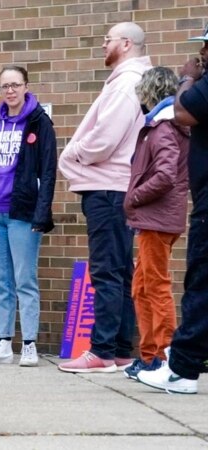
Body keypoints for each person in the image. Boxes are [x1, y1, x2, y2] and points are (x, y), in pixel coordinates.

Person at [58, 22, 152, 373]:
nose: (102, 44)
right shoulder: (129, 82)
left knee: (107, 273)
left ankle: (102, 352)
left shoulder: (125, 85)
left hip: (108, 190)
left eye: (108, 40)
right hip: (115, 188)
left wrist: (73, 152)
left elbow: (103, 141)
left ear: (126, 44)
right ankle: (120, 350)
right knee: (120, 271)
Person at [0, 66, 58, 367]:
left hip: (22, 213)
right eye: (5, 86)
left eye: (15, 85)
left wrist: (41, 214)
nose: (10, 91)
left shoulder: (39, 123)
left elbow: (48, 170)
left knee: (25, 280)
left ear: (26, 87)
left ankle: (29, 343)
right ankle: (3, 343)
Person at [138, 26, 208, 394]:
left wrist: (187, 77)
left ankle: (176, 366)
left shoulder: (170, 119)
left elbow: (184, 111)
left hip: (168, 214)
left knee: (187, 285)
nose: (203, 53)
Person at [121, 67, 190, 381]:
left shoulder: (162, 128)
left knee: (155, 286)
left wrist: (133, 197)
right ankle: (150, 355)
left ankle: (161, 355)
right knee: (142, 286)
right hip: (158, 218)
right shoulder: (168, 125)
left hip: (156, 219)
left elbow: (165, 175)